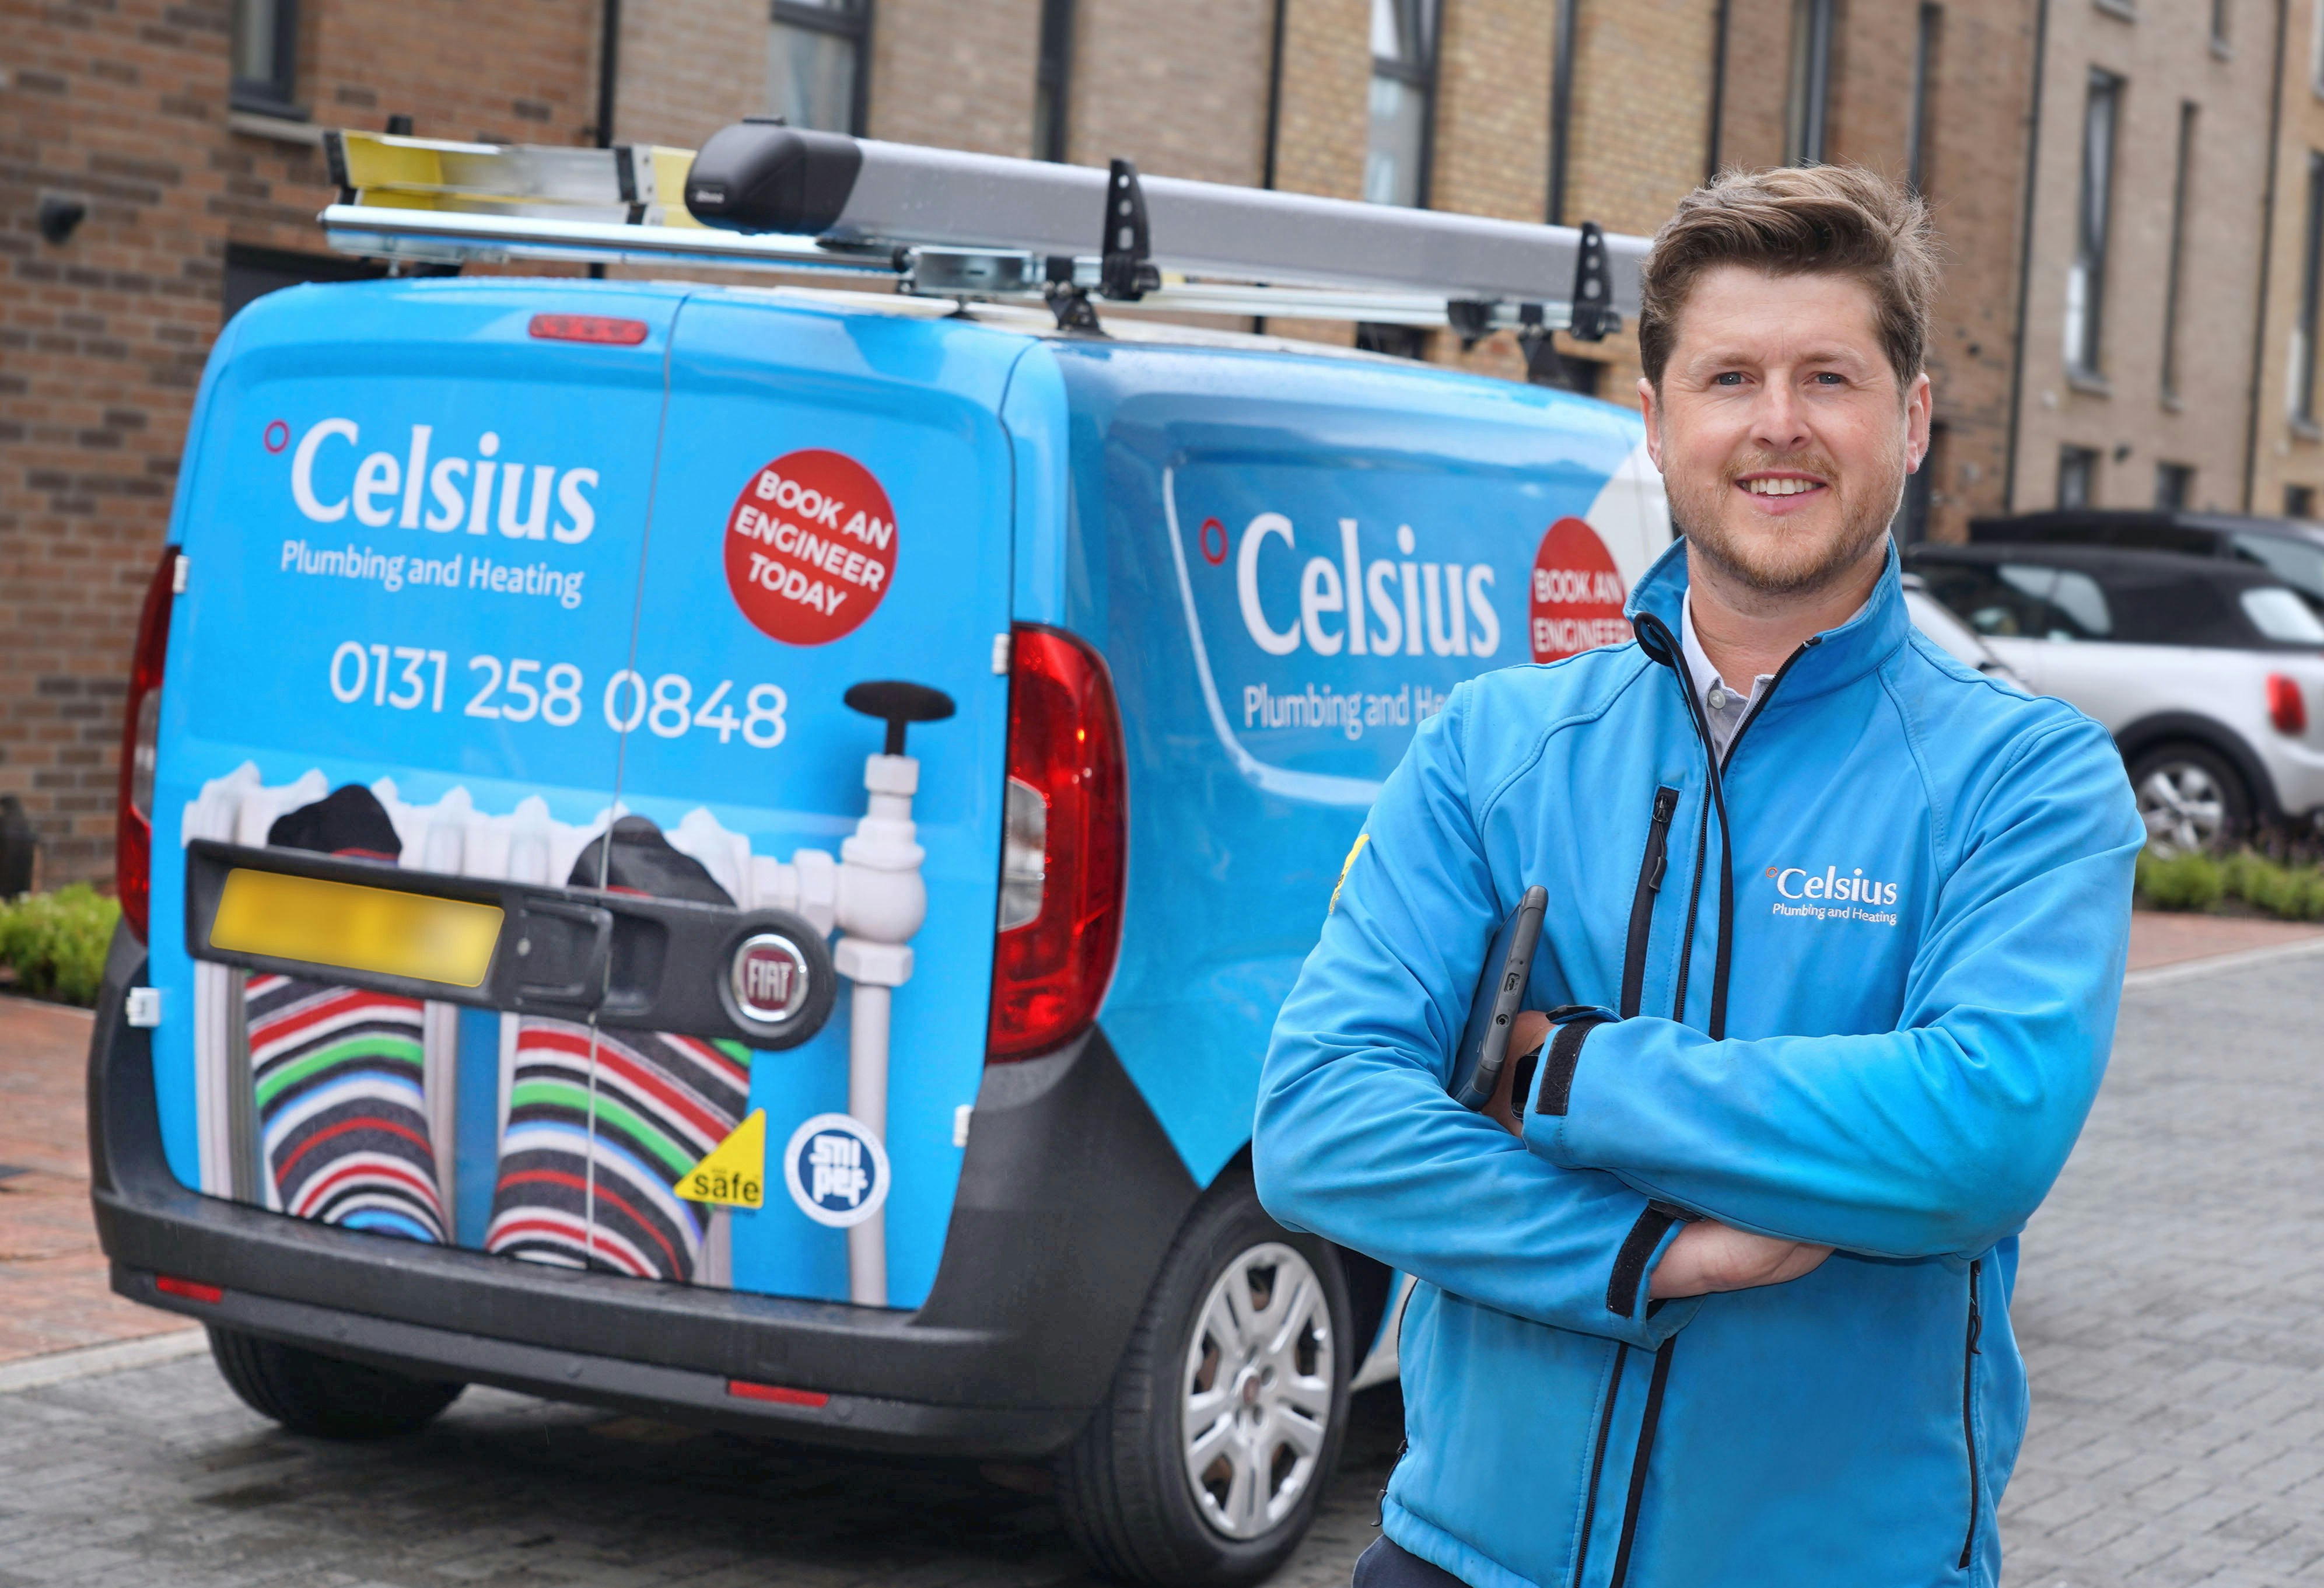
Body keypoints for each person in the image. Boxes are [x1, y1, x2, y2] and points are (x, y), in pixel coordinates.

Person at [1255, 164, 2143, 1588]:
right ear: (1658, 424)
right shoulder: (1494, 751)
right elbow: (1319, 1123)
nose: (1778, 424)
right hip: (1459, 1559)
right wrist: (1655, 1250)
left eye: (1829, 378)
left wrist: (1562, 1078)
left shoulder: (2024, 781)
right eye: (1730, 377)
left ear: (1909, 421)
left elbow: (1980, 1128)